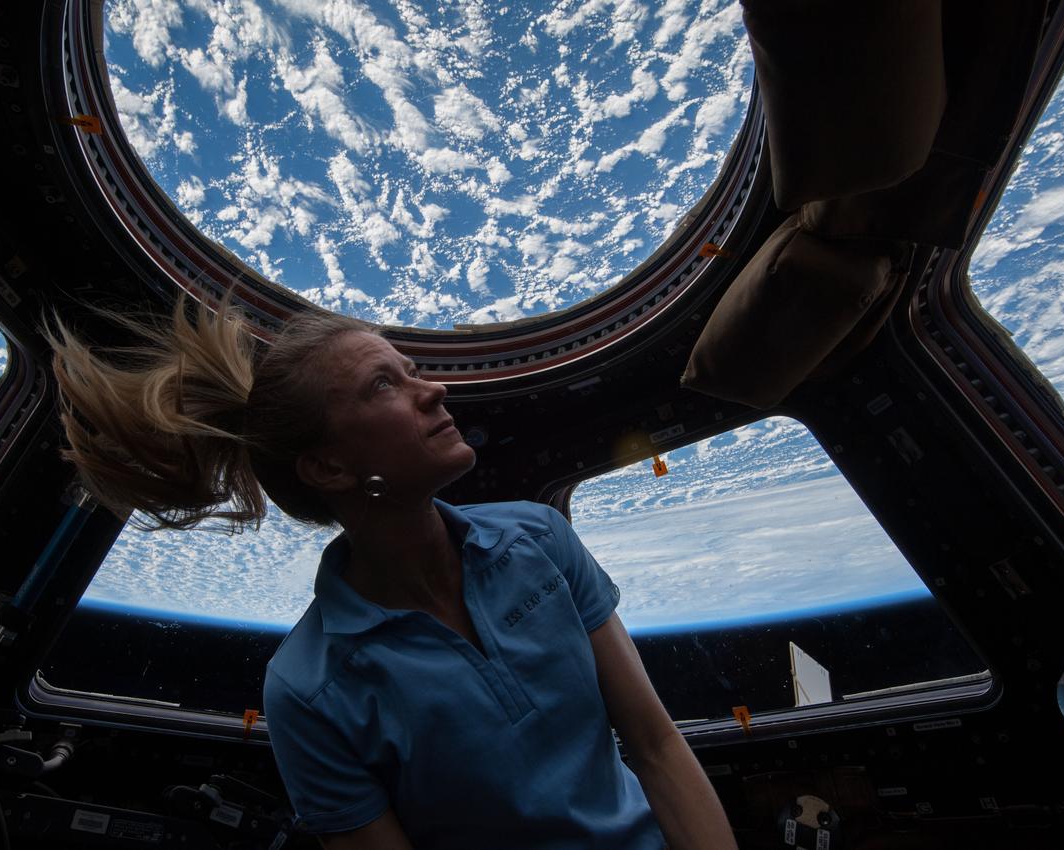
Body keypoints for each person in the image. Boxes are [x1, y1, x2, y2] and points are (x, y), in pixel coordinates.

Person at [44, 295, 737, 850]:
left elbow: (653, 744)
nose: (433, 389)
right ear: (330, 468)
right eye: (386, 384)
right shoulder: (310, 690)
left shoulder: (541, 537)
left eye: (410, 370)